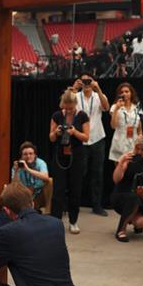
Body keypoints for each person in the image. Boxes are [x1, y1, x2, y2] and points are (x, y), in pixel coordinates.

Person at [49, 88, 90, 234]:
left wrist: (74, 132)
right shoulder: (57, 115)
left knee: (75, 190)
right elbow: (51, 137)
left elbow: (86, 137)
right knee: (58, 191)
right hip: (60, 156)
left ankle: (73, 221)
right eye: (66, 107)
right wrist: (57, 132)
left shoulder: (82, 116)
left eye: (71, 107)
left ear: (75, 104)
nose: (68, 109)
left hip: (77, 156)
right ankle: (55, 222)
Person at [72, 73, 109, 216]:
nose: (86, 83)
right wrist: (73, 90)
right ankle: (74, 203)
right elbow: (64, 106)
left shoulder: (98, 96)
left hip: (98, 138)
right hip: (81, 138)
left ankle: (97, 205)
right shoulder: (75, 96)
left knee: (97, 173)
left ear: (93, 81)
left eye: (89, 80)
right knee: (80, 172)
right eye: (84, 80)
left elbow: (106, 108)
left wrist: (98, 89)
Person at [111, 136, 143, 242]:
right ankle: (121, 230)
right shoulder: (128, 158)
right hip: (121, 196)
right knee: (133, 198)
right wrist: (121, 164)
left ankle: (133, 220)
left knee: (142, 222)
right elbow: (116, 180)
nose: (139, 152)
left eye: (142, 150)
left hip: (140, 198)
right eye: (137, 149)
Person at [11, 141, 51, 213]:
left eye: (31, 154)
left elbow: (46, 177)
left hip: (38, 193)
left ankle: (47, 212)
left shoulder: (40, 163)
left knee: (50, 182)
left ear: (35, 155)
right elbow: (13, 184)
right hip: (23, 193)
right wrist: (16, 171)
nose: (28, 156)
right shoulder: (18, 165)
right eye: (25, 154)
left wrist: (27, 169)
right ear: (21, 156)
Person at [108, 83, 142, 163]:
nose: (124, 94)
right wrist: (117, 108)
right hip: (120, 141)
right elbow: (113, 126)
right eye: (122, 92)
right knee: (119, 171)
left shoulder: (137, 107)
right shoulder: (115, 107)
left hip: (133, 142)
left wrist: (140, 139)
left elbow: (139, 128)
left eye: (127, 91)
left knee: (132, 170)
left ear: (131, 93)